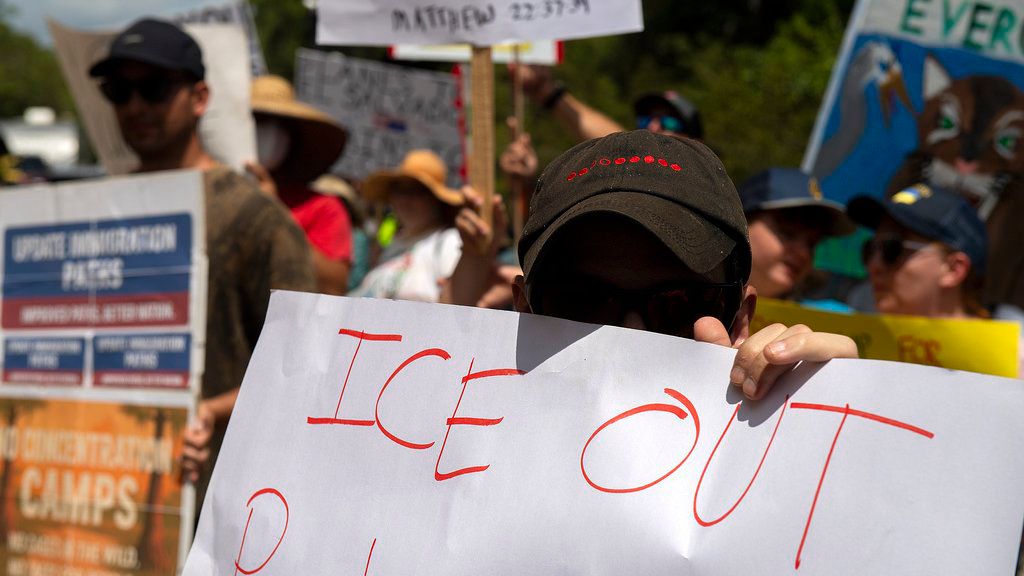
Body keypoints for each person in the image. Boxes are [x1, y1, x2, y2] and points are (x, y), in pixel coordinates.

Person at [451, 130, 858, 399]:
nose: (631, 335)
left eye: (680, 303)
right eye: (582, 301)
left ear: (740, 318)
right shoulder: (447, 447)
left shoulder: (764, 458)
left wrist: (820, 419)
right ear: (523, 306)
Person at [88, 18, 316, 498]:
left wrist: (212, 411)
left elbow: (304, 357)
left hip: (214, 495)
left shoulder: (253, 215)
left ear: (199, 98)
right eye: (119, 91)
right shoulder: (94, 213)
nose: (135, 106)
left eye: (154, 88)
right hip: (104, 485)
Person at [246, 75, 352, 295]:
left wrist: (275, 216)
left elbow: (333, 287)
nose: (262, 132)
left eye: (274, 124)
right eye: (255, 121)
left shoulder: (323, 207)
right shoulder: (208, 191)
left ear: (291, 137)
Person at [848, 183, 989, 319]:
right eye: (869, 249)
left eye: (892, 248)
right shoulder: (852, 331)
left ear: (953, 269)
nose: (874, 265)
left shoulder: (998, 337)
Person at [349, 149, 464, 302]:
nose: (405, 199)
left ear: (436, 200)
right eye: (399, 191)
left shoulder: (449, 241)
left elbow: (457, 300)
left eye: (416, 191)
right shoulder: (391, 246)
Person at [738, 168, 855, 301]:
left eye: (812, 244)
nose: (803, 253)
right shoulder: (715, 304)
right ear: (739, 224)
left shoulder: (827, 313)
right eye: (788, 233)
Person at [511, 63, 703, 141]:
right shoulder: (639, 172)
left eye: (668, 122)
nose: (653, 127)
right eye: (645, 121)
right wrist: (546, 92)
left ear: (696, 141)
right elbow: (618, 143)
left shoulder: (710, 187)